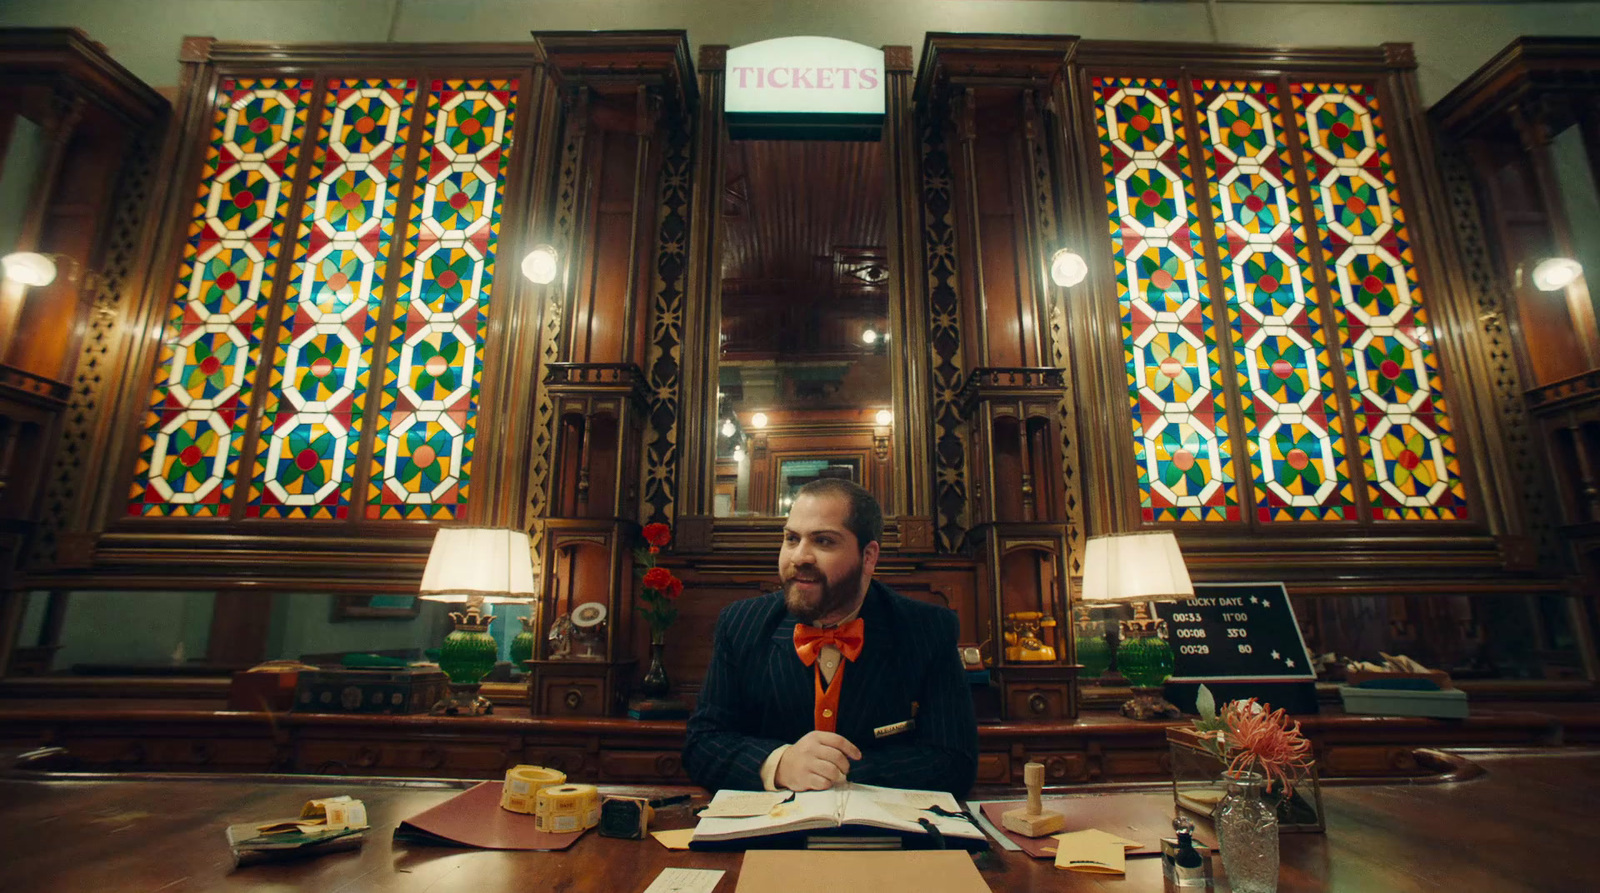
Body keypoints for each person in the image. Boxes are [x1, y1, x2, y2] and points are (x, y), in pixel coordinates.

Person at [683, 478, 978, 798]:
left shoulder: (928, 629)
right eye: (792, 539)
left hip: (884, 841)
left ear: (868, 557)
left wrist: (835, 770)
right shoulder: (740, 624)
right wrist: (779, 764)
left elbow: (954, 761)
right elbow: (703, 744)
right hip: (769, 838)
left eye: (823, 541)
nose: (799, 557)